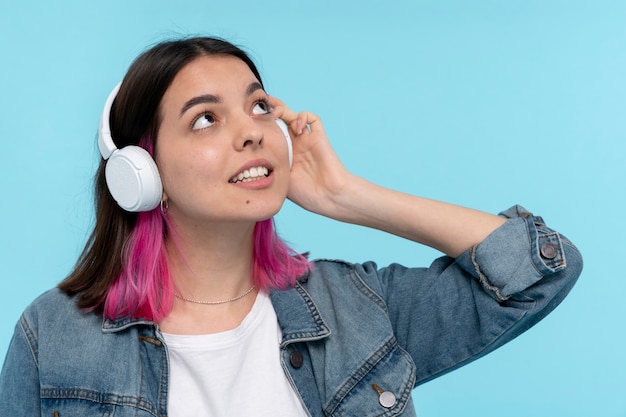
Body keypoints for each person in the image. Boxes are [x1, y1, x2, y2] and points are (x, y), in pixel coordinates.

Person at [0, 36, 582, 417]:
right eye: (206, 118)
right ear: (142, 171)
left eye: (258, 107)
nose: (252, 131)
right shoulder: (51, 337)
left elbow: (541, 270)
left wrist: (347, 195)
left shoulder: (356, 308)